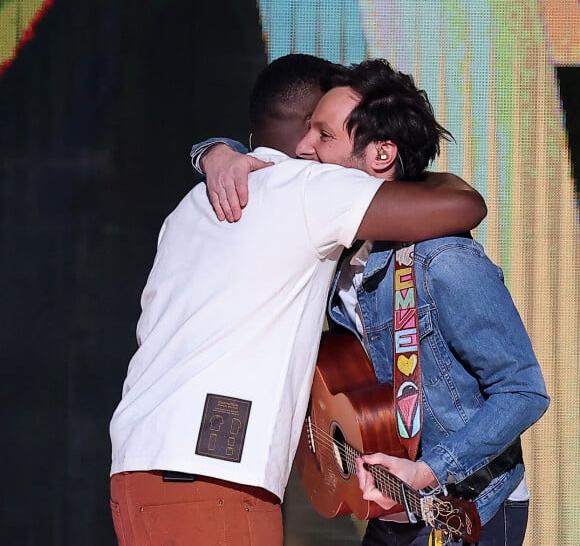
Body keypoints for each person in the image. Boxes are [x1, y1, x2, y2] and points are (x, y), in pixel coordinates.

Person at [109, 54, 486, 546]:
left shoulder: (192, 203)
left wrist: (214, 151)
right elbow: (465, 205)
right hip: (213, 480)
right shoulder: (306, 188)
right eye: (325, 130)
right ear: (307, 127)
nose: (318, 145)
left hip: (137, 473)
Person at [197, 58, 549, 545]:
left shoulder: (444, 261)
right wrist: (216, 152)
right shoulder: (332, 251)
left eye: (324, 136)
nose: (303, 148)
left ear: (381, 154)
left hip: (467, 507)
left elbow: (523, 391)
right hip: (393, 510)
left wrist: (428, 471)